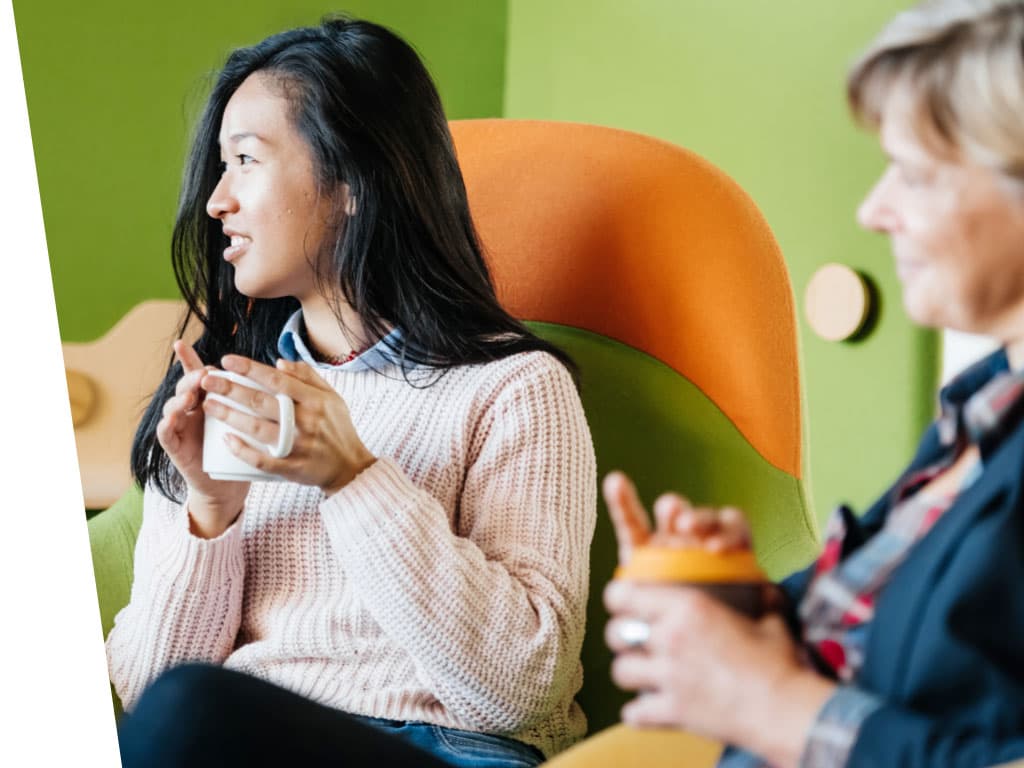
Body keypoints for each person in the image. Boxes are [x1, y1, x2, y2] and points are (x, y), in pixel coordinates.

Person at [107, 16, 596, 768]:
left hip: (447, 752)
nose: (216, 202)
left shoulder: (514, 389)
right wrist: (210, 510)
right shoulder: (229, 395)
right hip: (242, 741)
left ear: (352, 183)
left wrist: (351, 475)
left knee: (193, 710)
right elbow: (147, 698)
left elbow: (522, 689)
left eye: (244, 161)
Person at [602, 1, 1024, 766]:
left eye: (918, 176)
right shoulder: (989, 401)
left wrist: (770, 706)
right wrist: (740, 603)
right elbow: (910, 643)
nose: (874, 210)